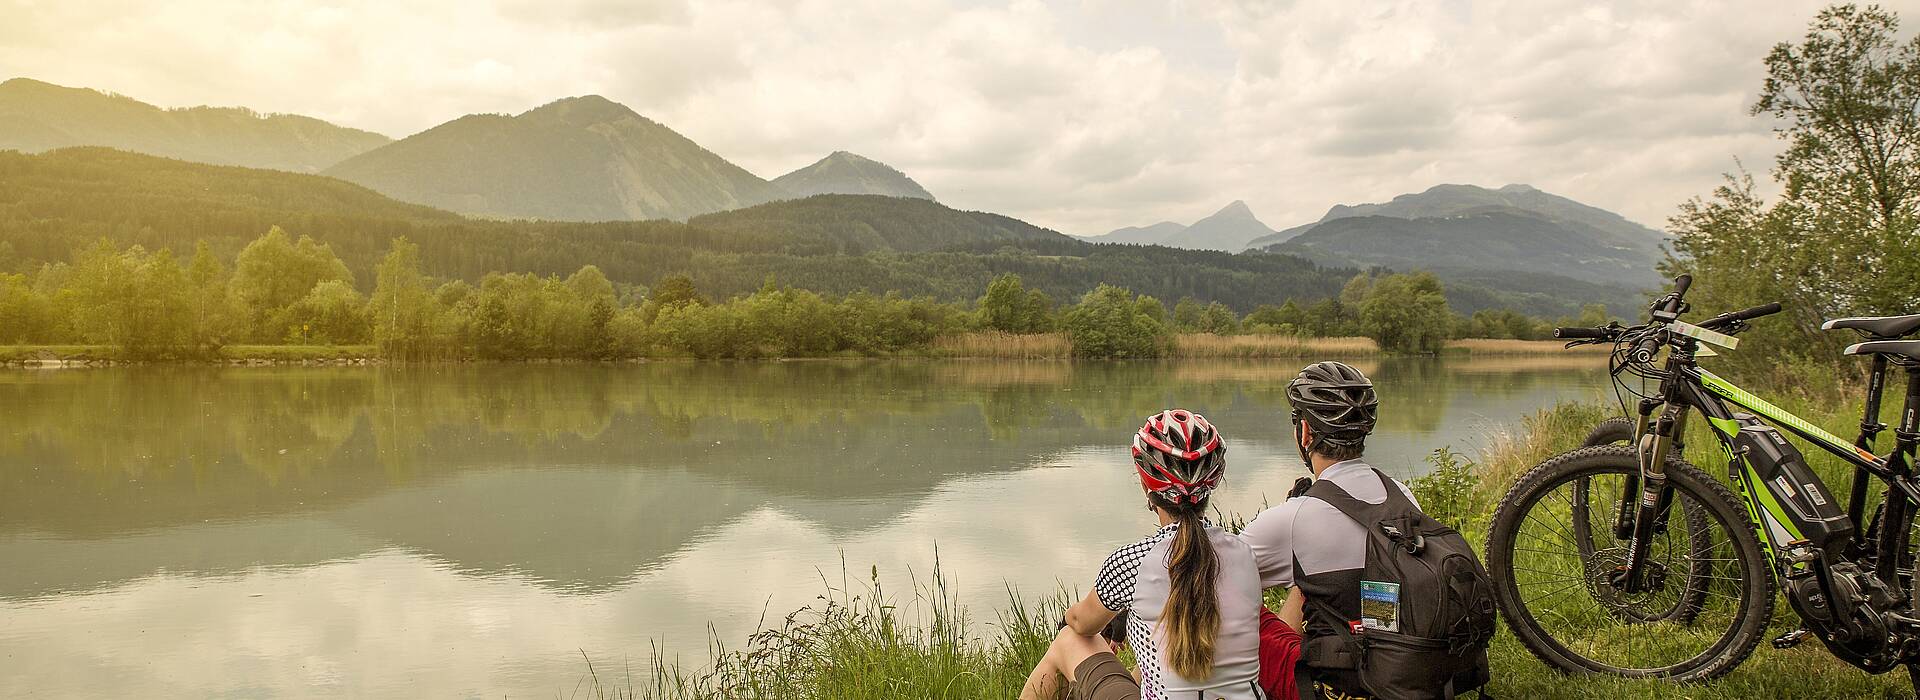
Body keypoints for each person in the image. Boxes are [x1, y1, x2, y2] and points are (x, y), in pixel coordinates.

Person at [1239, 361, 1492, 700]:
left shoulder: (1292, 518)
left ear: (1305, 433)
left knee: (1233, 611)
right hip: (1406, 675)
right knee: (1312, 581)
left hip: (1337, 687)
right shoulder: (1403, 494)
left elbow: (1209, 583)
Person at [1021, 409, 1277, 700]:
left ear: (1146, 486)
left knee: (1069, 639)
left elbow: (1083, 623)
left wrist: (1071, 616)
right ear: (1213, 484)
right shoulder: (1244, 554)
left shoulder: (1132, 562)